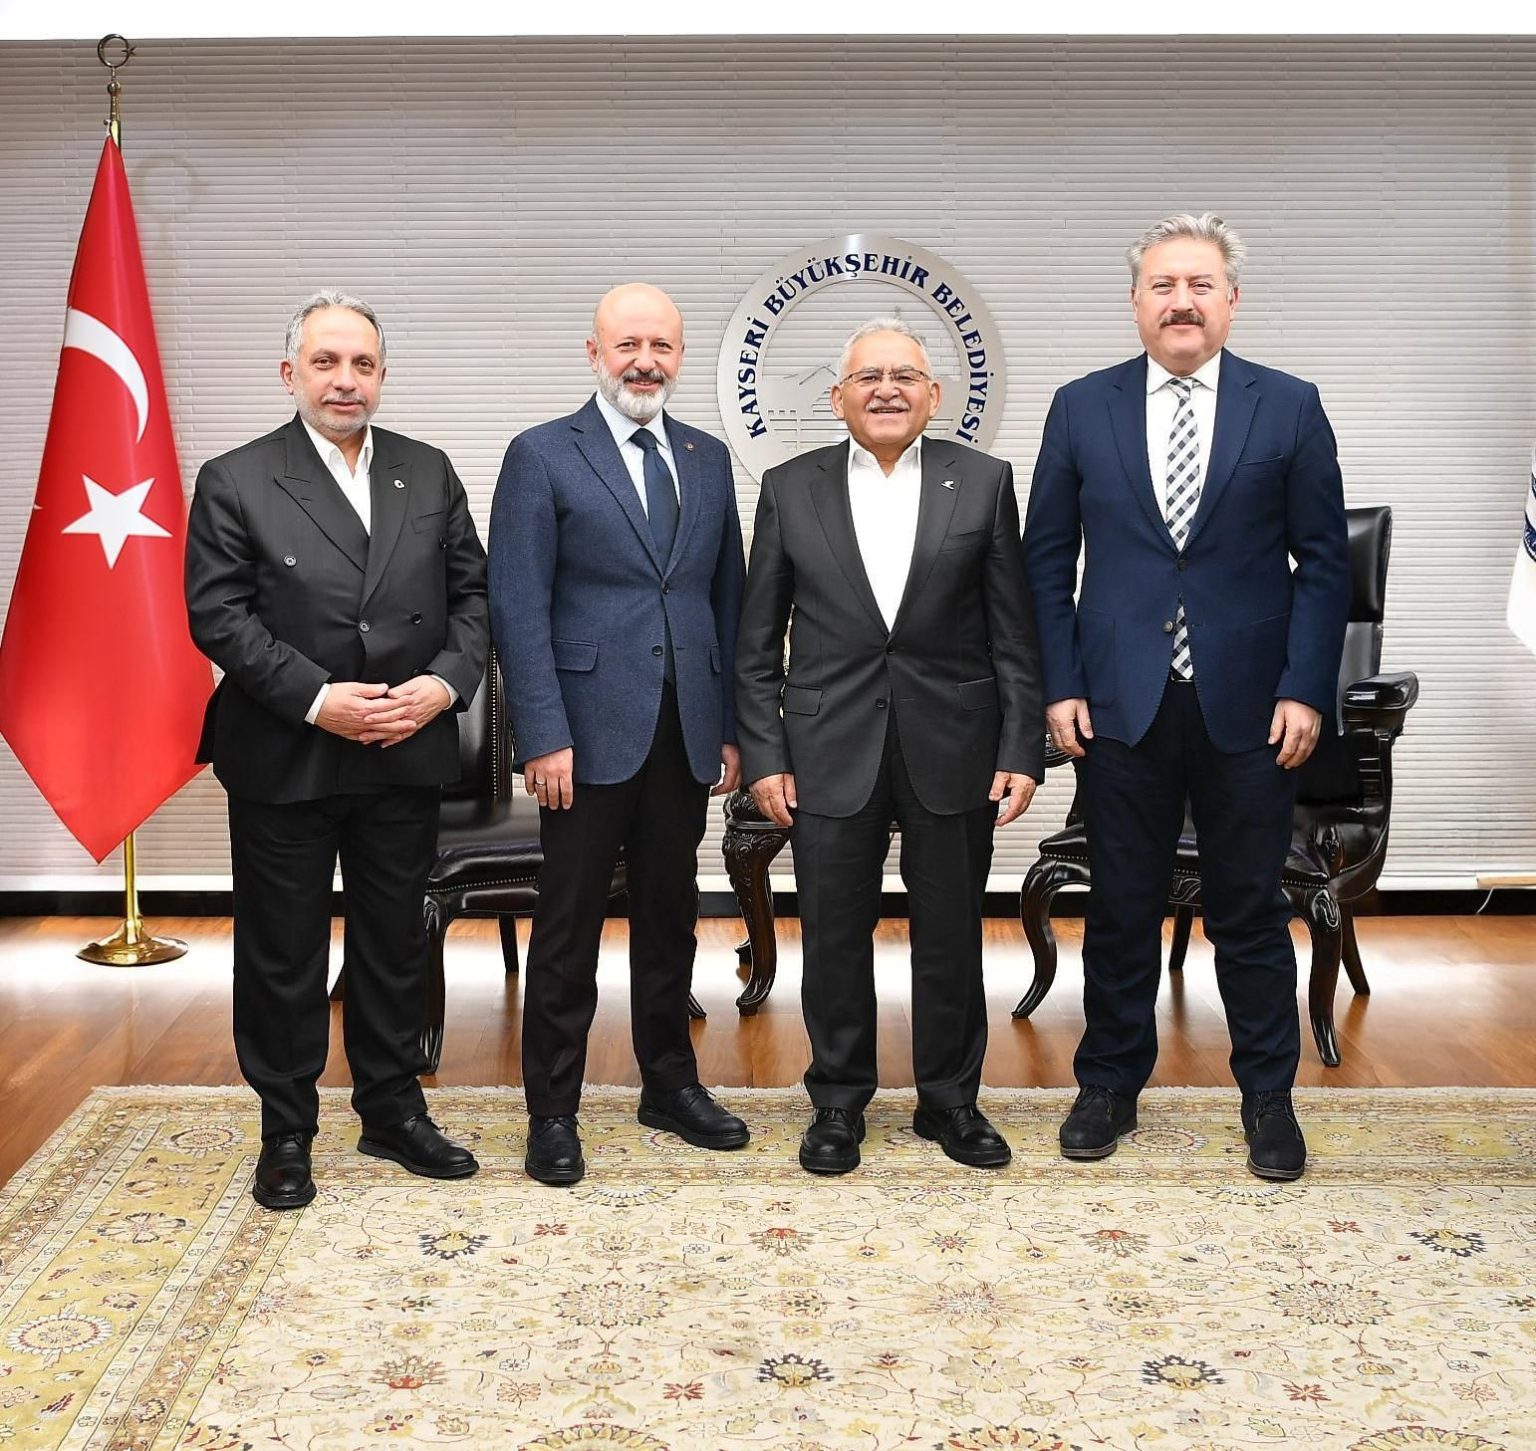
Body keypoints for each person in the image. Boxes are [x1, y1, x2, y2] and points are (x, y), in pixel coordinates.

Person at [1022, 213, 1351, 1181]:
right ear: (1136, 303)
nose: (1182, 301)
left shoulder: (1288, 405)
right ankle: (1107, 1086)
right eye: (1163, 285)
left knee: (1249, 910)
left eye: (1200, 285)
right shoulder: (1080, 406)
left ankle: (1268, 1100)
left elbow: (1323, 563)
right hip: (1120, 702)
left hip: (1251, 706)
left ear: (1231, 301)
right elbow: (1047, 560)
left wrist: (1305, 688)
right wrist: (1060, 684)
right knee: (1120, 906)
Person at [185, 290, 488, 1209]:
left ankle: (392, 1110)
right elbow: (218, 616)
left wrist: (443, 686)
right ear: (291, 374)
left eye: (362, 364)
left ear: (383, 376)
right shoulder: (236, 477)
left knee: (394, 942)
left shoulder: (428, 471)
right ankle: (286, 1130)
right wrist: (320, 700)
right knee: (283, 951)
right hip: (287, 750)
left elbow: (474, 598)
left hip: (403, 744)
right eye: (326, 362)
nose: (345, 380)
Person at [735, 317, 1043, 1175]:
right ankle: (837, 1103)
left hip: (956, 743)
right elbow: (756, 643)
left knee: (951, 932)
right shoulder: (789, 487)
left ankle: (951, 1102)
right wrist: (766, 756)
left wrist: (1021, 745)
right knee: (834, 933)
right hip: (827, 746)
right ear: (838, 397)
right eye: (868, 376)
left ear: (934, 395)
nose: (886, 389)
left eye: (904, 375)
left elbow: (1014, 633)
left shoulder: (982, 481)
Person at [490, 282, 749, 1186]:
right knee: (568, 928)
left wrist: (728, 727)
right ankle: (552, 1110)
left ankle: (668, 1083)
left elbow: (727, 599)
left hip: (685, 730)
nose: (645, 361)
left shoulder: (708, 458)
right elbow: (517, 606)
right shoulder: (540, 454)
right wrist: (541, 732)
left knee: (672, 916)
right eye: (628, 344)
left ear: (680, 355)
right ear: (594, 353)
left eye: (661, 346)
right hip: (582, 736)